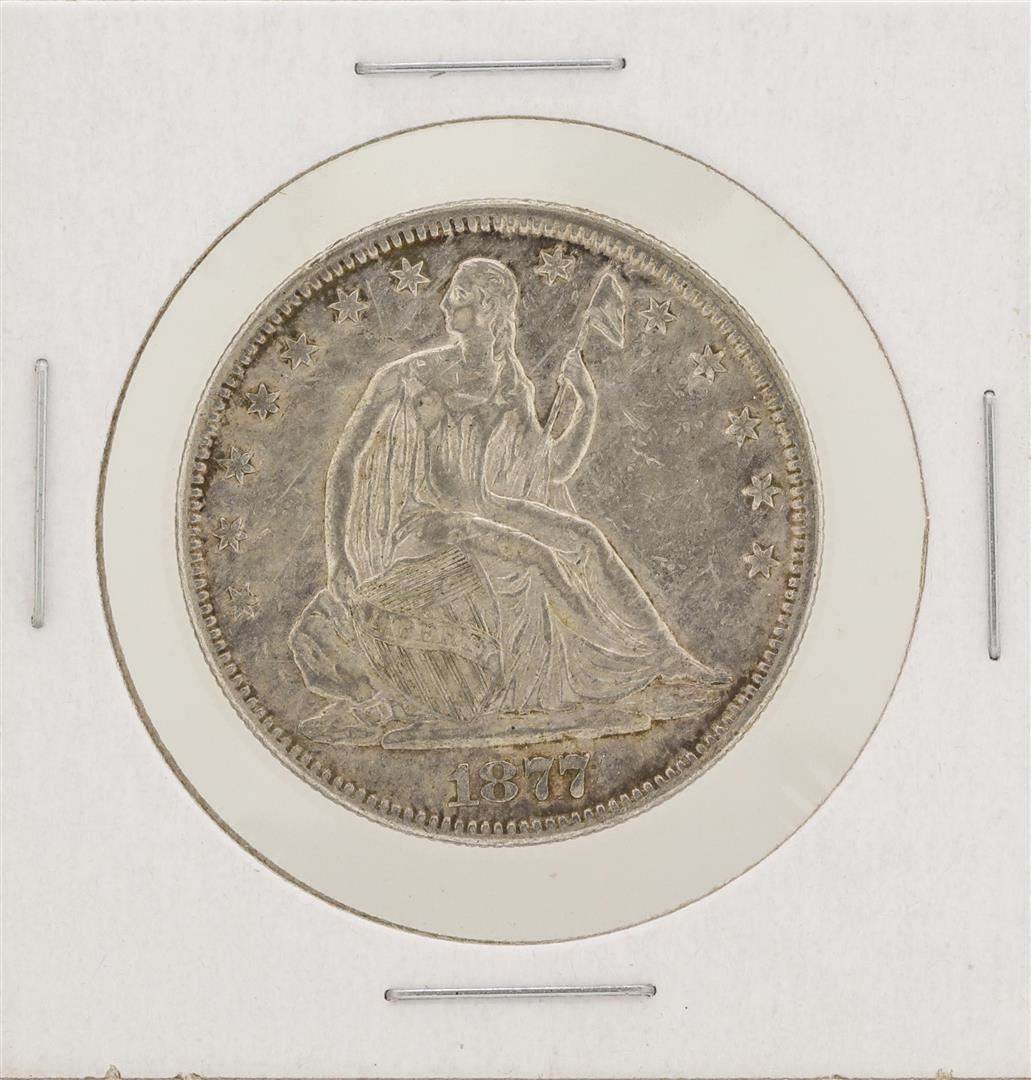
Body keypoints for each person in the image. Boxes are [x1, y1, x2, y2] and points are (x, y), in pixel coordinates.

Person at [290, 257, 728, 747]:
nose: (445, 303)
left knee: (586, 537)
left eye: (459, 295)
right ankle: (621, 669)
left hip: (488, 506)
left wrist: (585, 404)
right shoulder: (410, 375)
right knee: (540, 557)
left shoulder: (510, 382)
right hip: (432, 521)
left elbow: (553, 468)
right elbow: (347, 460)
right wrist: (338, 555)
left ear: (489, 310)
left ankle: (667, 660)